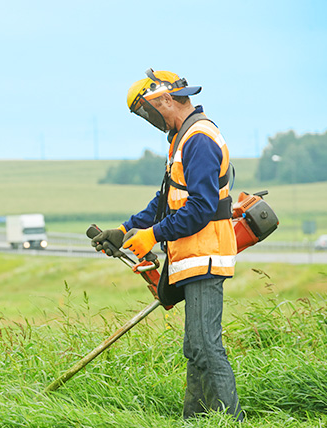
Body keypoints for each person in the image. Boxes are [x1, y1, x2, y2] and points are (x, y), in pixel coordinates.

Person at [91, 69, 243, 421]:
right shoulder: (181, 137)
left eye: (146, 111)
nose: (149, 120)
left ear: (165, 100)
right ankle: (195, 420)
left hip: (206, 254)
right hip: (189, 256)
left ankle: (230, 421)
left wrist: (154, 235)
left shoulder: (199, 139)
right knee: (195, 349)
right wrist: (126, 229)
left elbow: (202, 208)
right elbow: (166, 200)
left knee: (207, 346)